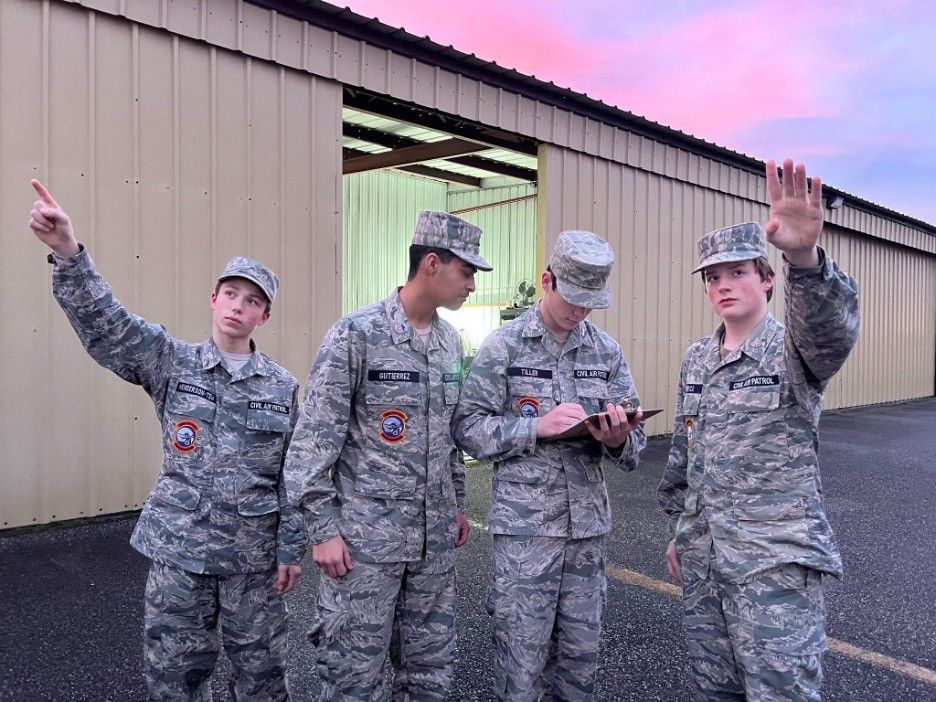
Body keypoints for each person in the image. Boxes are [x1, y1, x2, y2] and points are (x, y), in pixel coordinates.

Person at [27, 179, 305, 701]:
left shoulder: (283, 387)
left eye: (252, 301)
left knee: (263, 680)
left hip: (253, 564)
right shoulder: (171, 362)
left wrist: (292, 548)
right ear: (213, 299)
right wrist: (68, 251)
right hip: (180, 554)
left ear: (263, 316)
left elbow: (294, 474)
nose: (237, 306)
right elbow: (108, 326)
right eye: (230, 294)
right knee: (174, 679)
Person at [658, 159, 860, 701]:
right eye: (713, 277)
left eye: (739, 272)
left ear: (767, 280)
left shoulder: (791, 347)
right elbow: (686, 452)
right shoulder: (698, 358)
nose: (723, 285)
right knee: (714, 691)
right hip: (706, 558)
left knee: (780, 692)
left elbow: (829, 331)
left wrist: (803, 257)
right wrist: (683, 527)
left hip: (772, 565)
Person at [284, 211, 492, 700]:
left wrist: (457, 502)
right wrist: (322, 531)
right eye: (468, 273)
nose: (472, 287)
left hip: (433, 545)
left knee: (428, 671)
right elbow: (313, 442)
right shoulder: (356, 335)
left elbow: (446, 438)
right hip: (364, 549)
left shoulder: (447, 343)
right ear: (433, 264)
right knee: (353, 674)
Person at [453, 229, 647, 701]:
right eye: (573, 298)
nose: (579, 312)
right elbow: (466, 427)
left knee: (579, 663)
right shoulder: (505, 346)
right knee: (521, 661)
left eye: (590, 302)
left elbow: (635, 446)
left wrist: (619, 439)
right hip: (526, 535)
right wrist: (534, 428)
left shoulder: (606, 351)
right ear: (547, 280)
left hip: (586, 533)